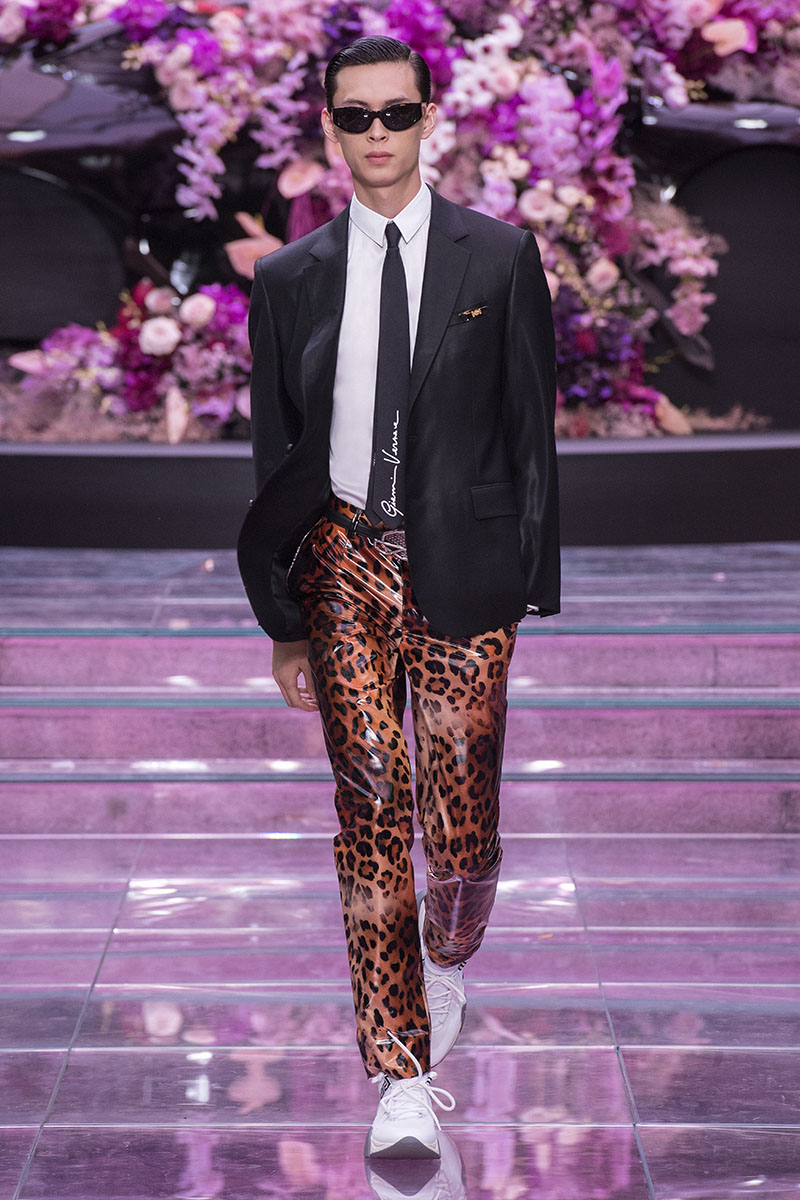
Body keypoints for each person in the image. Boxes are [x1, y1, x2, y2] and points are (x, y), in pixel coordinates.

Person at [238, 34, 559, 1161]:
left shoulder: (499, 256)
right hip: (341, 559)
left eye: (395, 112)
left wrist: (528, 588)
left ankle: (448, 954)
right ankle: (399, 1071)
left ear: (428, 118)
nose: (376, 133)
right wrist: (283, 617)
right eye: (355, 115)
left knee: (461, 831)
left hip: (464, 565)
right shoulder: (289, 278)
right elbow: (277, 452)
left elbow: (530, 430)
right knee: (370, 803)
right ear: (330, 128)